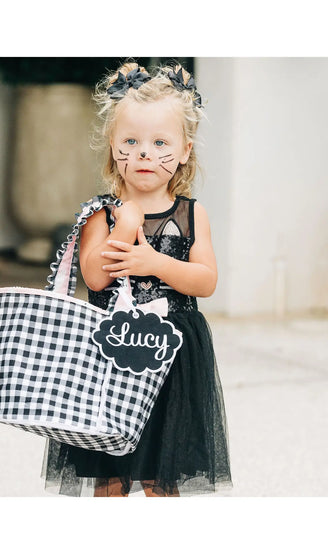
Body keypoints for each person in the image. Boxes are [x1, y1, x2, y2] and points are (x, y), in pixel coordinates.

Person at [41, 60, 233, 497]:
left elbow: (205, 280)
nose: (145, 152)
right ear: (113, 146)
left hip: (173, 355)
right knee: (110, 471)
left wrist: (155, 262)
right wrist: (126, 222)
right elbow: (93, 275)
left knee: (162, 473)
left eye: (159, 142)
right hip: (109, 352)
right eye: (131, 141)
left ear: (185, 149)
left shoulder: (191, 214)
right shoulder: (101, 215)